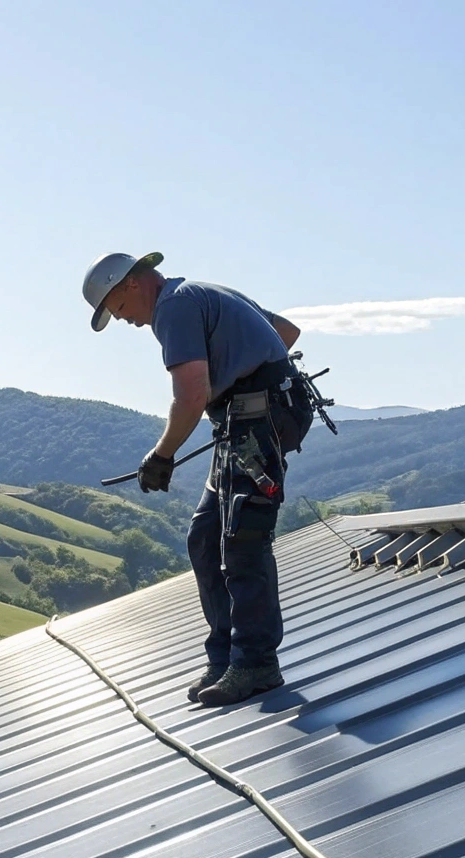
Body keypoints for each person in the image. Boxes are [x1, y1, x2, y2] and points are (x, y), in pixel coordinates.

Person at [81, 251, 302, 706]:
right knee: (205, 538)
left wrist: (161, 456)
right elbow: (286, 333)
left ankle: (256, 663)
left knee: (243, 537)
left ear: (132, 286)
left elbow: (191, 395)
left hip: (257, 424)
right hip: (247, 422)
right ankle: (225, 658)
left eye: (118, 310)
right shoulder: (203, 292)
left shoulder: (174, 308)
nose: (126, 321)